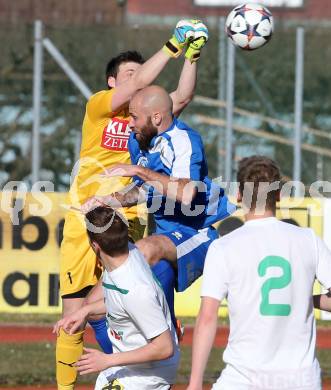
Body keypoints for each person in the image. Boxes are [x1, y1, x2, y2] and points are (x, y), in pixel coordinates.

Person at [57, 20, 209, 390]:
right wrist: (173, 45)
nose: (139, 78)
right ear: (113, 82)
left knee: (123, 302)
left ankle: (127, 375)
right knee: (75, 308)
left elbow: (180, 99)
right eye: (130, 74)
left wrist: (191, 55)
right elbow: (140, 86)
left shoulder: (143, 122)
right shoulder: (98, 107)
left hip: (130, 215)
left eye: (141, 72)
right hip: (85, 217)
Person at [83, 85, 236, 332]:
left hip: (199, 232)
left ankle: (165, 329)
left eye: (133, 117)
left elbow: (186, 194)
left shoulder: (184, 140)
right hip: (165, 239)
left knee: (146, 248)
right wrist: (107, 200)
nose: (129, 124)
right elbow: (145, 190)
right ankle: (126, 364)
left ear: (156, 117)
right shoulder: (139, 142)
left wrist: (140, 172)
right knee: (91, 306)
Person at [187, 156, 331, 390]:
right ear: (279, 195)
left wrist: (194, 383)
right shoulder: (308, 240)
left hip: (243, 379)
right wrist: (303, 298)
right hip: (301, 380)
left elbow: (207, 317)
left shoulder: (224, 246)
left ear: (240, 196)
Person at [54, 206, 179, 390]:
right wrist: (85, 310)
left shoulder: (135, 289)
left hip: (148, 375)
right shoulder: (127, 252)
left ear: (94, 246)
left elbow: (164, 347)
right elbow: (120, 302)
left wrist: (107, 360)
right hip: (129, 366)